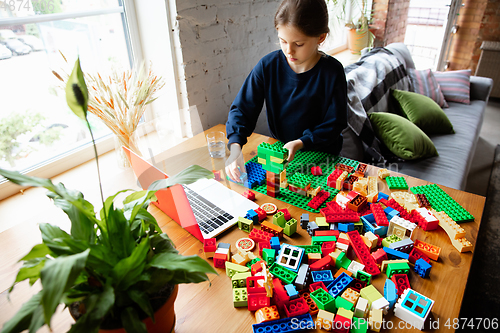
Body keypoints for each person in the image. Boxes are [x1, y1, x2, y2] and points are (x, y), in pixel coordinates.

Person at [225, 0, 347, 182]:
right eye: (282, 41)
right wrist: (235, 149)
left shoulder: (332, 72)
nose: (289, 51)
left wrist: (301, 142)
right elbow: (243, 109)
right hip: (280, 153)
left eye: (298, 44)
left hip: (322, 158)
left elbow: (335, 123)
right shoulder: (268, 66)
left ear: (320, 38)